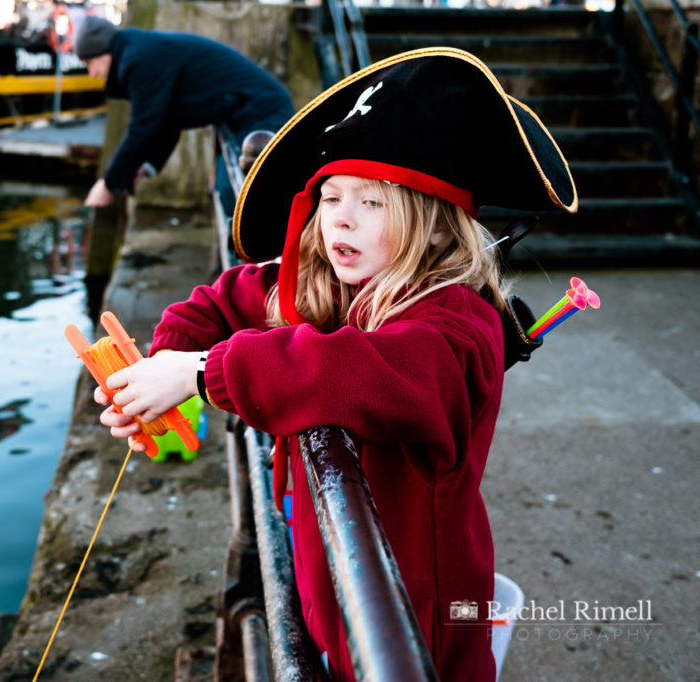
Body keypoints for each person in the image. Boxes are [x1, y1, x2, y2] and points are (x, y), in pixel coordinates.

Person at [92, 48, 577, 680]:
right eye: (329, 195)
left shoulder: (458, 325)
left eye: (372, 201)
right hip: (328, 573)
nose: (340, 217)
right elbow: (225, 297)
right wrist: (162, 367)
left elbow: (360, 370)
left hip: (416, 608)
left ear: (434, 227)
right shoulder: (334, 281)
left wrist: (201, 374)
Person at [72, 16, 295, 209]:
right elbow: (167, 121)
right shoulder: (138, 51)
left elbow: (142, 127)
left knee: (245, 193)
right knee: (229, 191)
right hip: (241, 114)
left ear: (102, 51)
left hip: (261, 110)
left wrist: (108, 184)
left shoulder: (138, 59)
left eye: (89, 63)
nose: (92, 74)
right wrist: (144, 166)